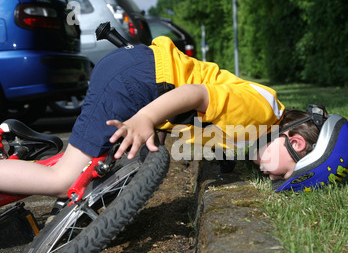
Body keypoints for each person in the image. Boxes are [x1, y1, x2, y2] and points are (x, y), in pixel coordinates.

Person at [0, 36, 320, 198]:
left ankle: (32, 151)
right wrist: (146, 118)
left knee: (99, 161)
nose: (273, 178)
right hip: (142, 83)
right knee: (63, 182)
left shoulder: (264, 114)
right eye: (285, 173)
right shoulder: (259, 116)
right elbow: (197, 94)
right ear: (293, 141)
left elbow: (202, 120)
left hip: (142, 72)